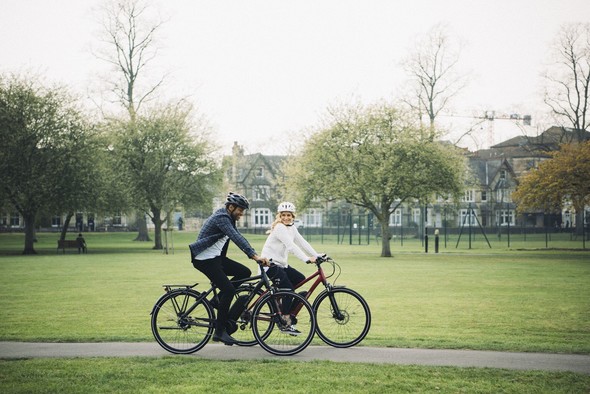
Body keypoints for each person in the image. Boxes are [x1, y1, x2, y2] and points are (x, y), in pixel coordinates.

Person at [189, 192, 268, 345]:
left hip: (216, 258)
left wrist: (253, 254)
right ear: (231, 207)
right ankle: (219, 332)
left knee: (244, 272)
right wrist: (254, 256)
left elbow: (237, 235)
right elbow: (236, 237)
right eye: (240, 210)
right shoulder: (222, 218)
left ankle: (217, 301)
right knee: (229, 291)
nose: (241, 214)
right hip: (204, 259)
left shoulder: (228, 217)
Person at [260, 201, 322, 334]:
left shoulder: (291, 227)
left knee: (300, 278)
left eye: (289, 215)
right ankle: (285, 321)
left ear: (293, 216)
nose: (286, 218)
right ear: (280, 216)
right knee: (288, 289)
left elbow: (302, 242)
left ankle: (280, 301)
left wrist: (316, 255)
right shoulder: (280, 228)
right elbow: (291, 246)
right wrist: (306, 259)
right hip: (270, 264)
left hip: (281, 265)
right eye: (283, 215)